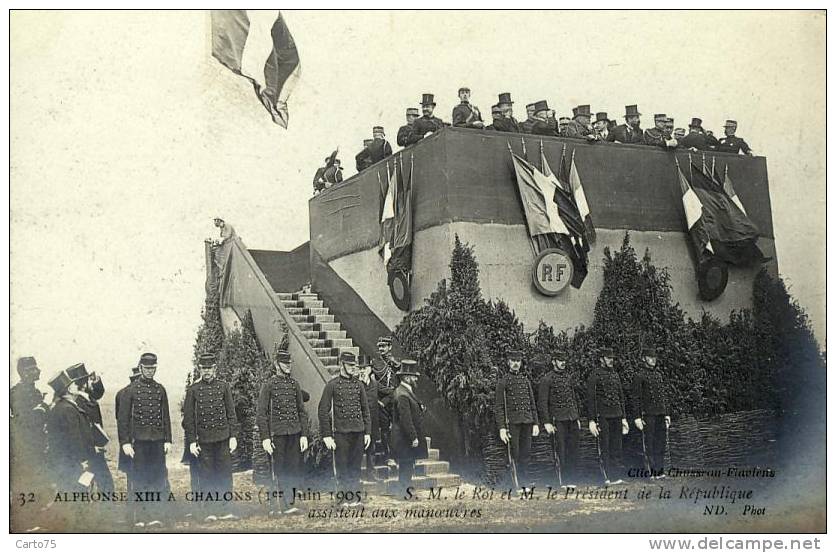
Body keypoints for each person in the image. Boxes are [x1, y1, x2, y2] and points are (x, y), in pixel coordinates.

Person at [117, 353, 172, 527]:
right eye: (147, 368)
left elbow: (166, 417)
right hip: (138, 443)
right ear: (140, 368)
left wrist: (168, 439)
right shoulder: (130, 391)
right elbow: (123, 419)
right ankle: (141, 517)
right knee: (140, 480)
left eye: (153, 368)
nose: (150, 371)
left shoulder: (160, 389)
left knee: (157, 478)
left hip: (157, 442)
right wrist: (125, 442)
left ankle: (155, 515)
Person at [182, 353, 239, 522]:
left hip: (222, 438)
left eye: (210, 368)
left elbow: (231, 413)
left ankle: (226, 509)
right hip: (204, 440)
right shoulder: (193, 390)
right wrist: (192, 441)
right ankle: (209, 511)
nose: (207, 372)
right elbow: (189, 419)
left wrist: (233, 436)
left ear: (215, 369)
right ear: (200, 369)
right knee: (206, 475)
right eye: (204, 368)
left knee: (224, 474)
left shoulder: (223, 387)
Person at [256, 350, 309, 517]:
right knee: (276, 469)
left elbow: (301, 412)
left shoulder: (295, 385)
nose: (288, 366)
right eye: (285, 363)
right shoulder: (269, 385)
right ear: (277, 364)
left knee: (292, 468)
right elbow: (261, 413)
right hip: (277, 434)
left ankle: (289, 503)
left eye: (290, 363)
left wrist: (304, 435)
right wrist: (265, 437)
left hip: (294, 433)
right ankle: (274, 504)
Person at [317, 352, 371, 507]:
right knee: (342, 467)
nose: (353, 368)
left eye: (354, 365)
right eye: (350, 365)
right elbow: (323, 410)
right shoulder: (332, 385)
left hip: (358, 432)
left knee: (355, 467)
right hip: (341, 433)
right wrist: (327, 435)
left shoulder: (359, 385)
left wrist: (367, 432)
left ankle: (353, 498)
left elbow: (365, 410)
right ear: (342, 364)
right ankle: (342, 500)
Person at [495, 350, 540, 490]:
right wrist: (502, 428)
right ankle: (515, 485)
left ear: (521, 363)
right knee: (514, 454)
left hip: (527, 422)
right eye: (513, 361)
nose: (516, 364)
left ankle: (525, 482)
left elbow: (532, 403)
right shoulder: (503, 382)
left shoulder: (525, 381)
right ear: (508, 362)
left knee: (526, 454)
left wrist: (536, 423)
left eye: (518, 361)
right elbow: (499, 407)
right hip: (513, 424)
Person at [46, 367, 95, 492]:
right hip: (74, 464)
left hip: (64, 463)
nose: (76, 386)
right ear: (69, 389)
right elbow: (75, 438)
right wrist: (82, 461)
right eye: (73, 384)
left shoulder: (60, 407)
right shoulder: (68, 409)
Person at [537, 351, 581, 488]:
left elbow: (573, 399)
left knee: (573, 448)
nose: (563, 362)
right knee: (560, 450)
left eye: (564, 360)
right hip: (558, 420)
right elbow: (542, 403)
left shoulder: (568, 378)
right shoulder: (547, 379)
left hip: (571, 418)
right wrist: (547, 422)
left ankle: (572, 479)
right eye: (559, 360)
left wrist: (576, 417)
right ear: (553, 362)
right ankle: (563, 481)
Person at [68, 363, 114, 494]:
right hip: (90, 452)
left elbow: (98, 393)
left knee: (100, 485)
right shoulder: (79, 402)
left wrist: (97, 381)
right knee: (100, 486)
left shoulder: (85, 397)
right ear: (83, 384)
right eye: (88, 380)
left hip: (94, 451)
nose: (91, 382)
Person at [586, 348, 629, 485]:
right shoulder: (595, 376)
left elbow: (620, 397)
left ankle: (616, 476)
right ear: (601, 359)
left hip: (616, 415)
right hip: (603, 416)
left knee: (617, 446)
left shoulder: (616, 375)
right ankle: (605, 477)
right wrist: (592, 420)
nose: (611, 360)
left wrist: (623, 417)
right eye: (608, 358)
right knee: (604, 447)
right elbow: (591, 399)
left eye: (612, 358)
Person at [631, 347, 672, 479]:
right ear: (644, 359)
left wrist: (666, 413)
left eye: (654, 357)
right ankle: (650, 472)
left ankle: (659, 471)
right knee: (649, 444)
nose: (653, 360)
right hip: (647, 415)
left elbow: (663, 397)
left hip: (660, 414)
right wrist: (637, 417)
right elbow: (636, 398)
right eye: (650, 357)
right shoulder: (639, 376)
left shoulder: (658, 375)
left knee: (660, 443)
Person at [391, 359, 428, 498]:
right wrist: (413, 437)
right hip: (404, 438)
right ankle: (404, 494)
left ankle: (406, 493)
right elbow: (405, 419)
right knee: (405, 467)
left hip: (405, 437)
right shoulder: (402, 394)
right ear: (406, 377)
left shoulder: (406, 391)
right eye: (414, 376)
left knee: (407, 466)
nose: (415, 378)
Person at [11, 357, 48, 490]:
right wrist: (42, 408)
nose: (38, 371)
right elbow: (22, 421)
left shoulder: (36, 392)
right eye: (34, 369)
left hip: (39, 445)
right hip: (26, 449)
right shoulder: (16, 393)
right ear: (25, 372)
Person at [114, 365, 142, 495]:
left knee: (131, 476)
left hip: (128, 441)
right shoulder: (124, 394)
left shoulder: (120, 393)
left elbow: (118, 419)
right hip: (133, 441)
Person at [372, 335, 400, 462]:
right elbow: (374, 383)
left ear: (390, 347)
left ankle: (396, 455)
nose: (381, 349)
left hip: (393, 401)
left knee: (395, 429)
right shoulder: (375, 362)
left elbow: (399, 380)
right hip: (381, 401)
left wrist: (394, 362)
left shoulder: (396, 362)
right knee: (384, 429)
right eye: (380, 346)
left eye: (384, 346)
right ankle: (387, 455)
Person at [358, 357, 381, 480]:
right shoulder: (356, 384)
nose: (362, 371)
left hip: (372, 423)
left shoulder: (375, 384)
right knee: (357, 450)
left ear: (370, 369)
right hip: (359, 423)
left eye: (364, 368)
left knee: (371, 449)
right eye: (360, 368)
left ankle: (370, 473)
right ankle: (356, 476)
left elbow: (385, 395)